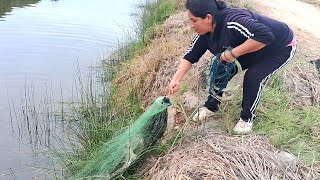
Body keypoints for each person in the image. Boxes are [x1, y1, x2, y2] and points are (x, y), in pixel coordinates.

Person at [167, 0, 297, 134]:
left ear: (208, 17)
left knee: (253, 76)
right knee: (221, 66)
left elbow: (265, 35)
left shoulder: (233, 21)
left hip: (280, 47)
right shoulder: (204, 33)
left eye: (194, 21)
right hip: (255, 46)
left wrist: (234, 53)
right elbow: (190, 55)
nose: (191, 26)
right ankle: (211, 107)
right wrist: (176, 79)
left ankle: (247, 119)